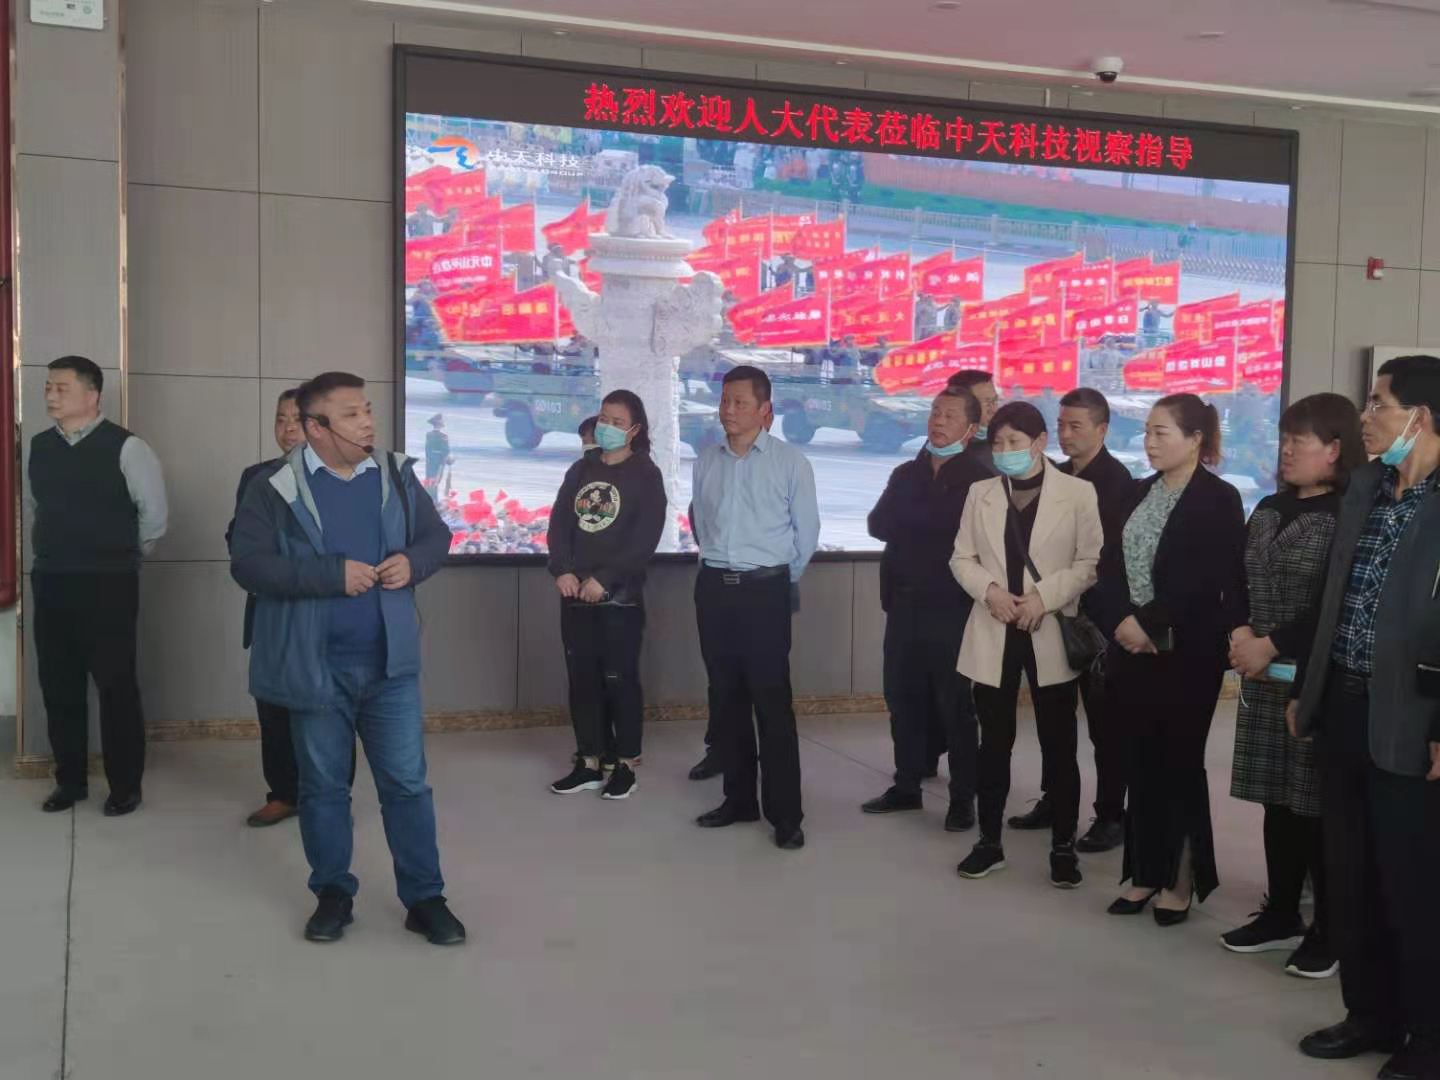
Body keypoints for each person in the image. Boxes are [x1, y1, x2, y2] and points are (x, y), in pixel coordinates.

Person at [229, 371, 464, 946]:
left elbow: (436, 537)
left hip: (390, 668)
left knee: (407, 786)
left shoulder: (396, 475)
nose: (368, 423)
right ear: (316, 427)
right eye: (353, 414)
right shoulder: (272, 487)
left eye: (367, 410)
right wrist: (328, 575)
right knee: (324, 789)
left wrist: (415, 561)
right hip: (316, 668)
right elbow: (249, 565)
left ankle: (425, 899)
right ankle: (333, 895)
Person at [1290, 356, 1440, 1078]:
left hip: (1414, 718)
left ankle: (1429, 1034)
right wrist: (1309, 687)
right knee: (1350, 874)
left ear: (1422, 417)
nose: (1366, 415)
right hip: (1345, 706)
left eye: (1378, 403)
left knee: (1413, 881)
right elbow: (1333, 598)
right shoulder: (1367, 490)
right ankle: (1368, 1014)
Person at [1220, 393, 1363, 979]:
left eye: (1298, 441)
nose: (1285, 451)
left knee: (1315, 805)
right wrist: (1239, 631)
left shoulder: (1350, 512)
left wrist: (1272, 643)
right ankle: (1281, 912)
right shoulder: (1268, 507)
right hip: (1261, 678)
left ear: (1334, 449)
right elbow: (1236, 577)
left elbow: (1336, 601)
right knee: (1275, 800)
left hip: (1312, 677)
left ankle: (1330, 928)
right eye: (1283, 440)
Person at [1089, 393, 1247, 926]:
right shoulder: (1138, 492)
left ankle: (1179, 879)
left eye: (1161, 433)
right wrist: (1120, 622)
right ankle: (1143, 872)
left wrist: (1148, 623)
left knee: (1177, 762)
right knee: (1138, 760)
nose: (1150, 442)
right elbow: (1108, 567)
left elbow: (1207, 580)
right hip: (1130, 648)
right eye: (1147, 432)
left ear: (1195, 439)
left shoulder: (1219, 498)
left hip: (1187, 655)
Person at [950, 403, 1103, 887]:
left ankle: (1063, 847)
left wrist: (1044, 598)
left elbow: (1089, 563)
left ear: (1039, 443)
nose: (1004, 451)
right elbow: (961, 558)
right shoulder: (980, 493)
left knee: (1059, 743)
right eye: (997, 443)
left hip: (1048, 627)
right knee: (993, 742)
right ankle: (988, 842)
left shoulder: (1077, 493)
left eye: (1014, 442)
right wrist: (991, 592)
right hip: (995, 625)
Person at [32, 356, 168, 817]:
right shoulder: (40, 447)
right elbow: (38, 507)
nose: (51, 395)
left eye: (61, 388)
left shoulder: (127, 447)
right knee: (58, 686)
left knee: (115, 686)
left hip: (108, 583)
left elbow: (154, 517)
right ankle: (69, 782)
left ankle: (125, 786)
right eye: (48, 387)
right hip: (52, 580)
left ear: (92, 395)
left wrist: (119, 557)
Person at [691, 366, 820, 850]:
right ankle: (738, 799)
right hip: (714, 589)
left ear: (765, 409)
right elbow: (702, 522)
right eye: (725, 400)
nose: (728, 410)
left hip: (765, 591)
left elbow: (806, 534)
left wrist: (774, 579)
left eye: (740, 402)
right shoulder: (707, 459)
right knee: (726, 699)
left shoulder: (790, 462)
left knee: (771, 702)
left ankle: (786, 815)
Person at [863, 387, 990, 831]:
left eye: (950, 415)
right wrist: (929, 524)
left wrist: (914, 523)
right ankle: (906, 785)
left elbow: (974, 544)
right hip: (903, 603)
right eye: (935, 412)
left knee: (954, 705)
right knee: (902, 697)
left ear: (970, 429)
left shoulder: (980, 481)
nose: (938, 420)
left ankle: (963, 798)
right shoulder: (907, 473)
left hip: (953, 609)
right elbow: (877, 523)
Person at [1019, 387, 1136, 853]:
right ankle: (1056, 798)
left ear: (1102, 430)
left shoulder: (1117, 484)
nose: (1065, 435)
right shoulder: (1054, 475)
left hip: (1096, 622)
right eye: (1061, 425)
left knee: (1106, 726)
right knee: (1053, 718)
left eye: (1076, 426)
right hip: (1051, 612)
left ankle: (1110, 815)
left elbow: (1107, 560)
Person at [224, 388, 345, 828]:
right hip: (272, 610)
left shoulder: (342, 476)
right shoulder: (257, 477)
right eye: (280, 419)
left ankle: (332, 797)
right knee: (273, 707)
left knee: (328, 710)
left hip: (324, 615)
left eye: (297, 419)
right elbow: (238, 540)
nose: (288, 428)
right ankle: (283, 793)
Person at [546, 390, 667, 801]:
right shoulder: (582, 468)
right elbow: (560, 523)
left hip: (619, 600)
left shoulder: (645, 474)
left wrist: (606, 579)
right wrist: (562, 569)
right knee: (582, 679)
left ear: (634, 430)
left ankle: (625, 764)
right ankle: (589, 762)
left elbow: (644, 539)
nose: (608, 428)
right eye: (604, 419)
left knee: (619, 679)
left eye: (618, 422)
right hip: (574, 594)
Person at [946, 369, 999, 476]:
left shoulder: (1001, 442)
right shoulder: (941, 450)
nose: (993, 409)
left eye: (995, 401)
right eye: (986, 403)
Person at [424, 413, 450, 487]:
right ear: (440, 425)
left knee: (429, 479)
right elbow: (446, 450)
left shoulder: (428, 434)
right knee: (436, 479)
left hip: (430, 460)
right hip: (439, 460)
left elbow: (427, 449)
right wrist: (444, 460)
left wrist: (429, 458)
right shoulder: (443, 436)